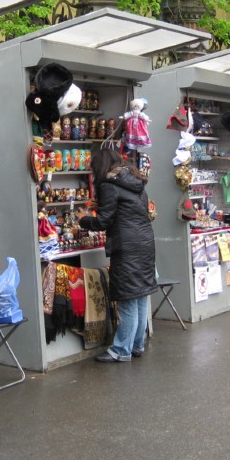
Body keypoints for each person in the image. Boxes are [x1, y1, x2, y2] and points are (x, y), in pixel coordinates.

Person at [75, 148, 157, 361]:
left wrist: (84, 218)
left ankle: (121, 350)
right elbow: (127, 210)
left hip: (126, 247)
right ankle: (136, 344)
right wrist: (102, 205)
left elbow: (104, 222)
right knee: (139, 297)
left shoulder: (108, 185)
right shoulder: (136, 181)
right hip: (145, 244)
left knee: (128, 299)